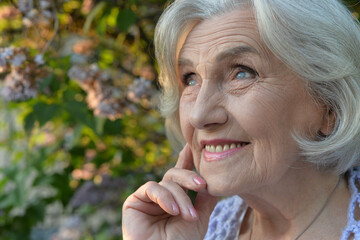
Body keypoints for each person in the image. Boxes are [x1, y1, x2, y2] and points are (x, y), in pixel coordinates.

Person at [122, 0, 360, 239]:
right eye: (191, 79)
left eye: (241, 73)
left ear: (330, 105)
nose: (199, 115)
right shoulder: (203, 229)